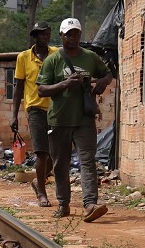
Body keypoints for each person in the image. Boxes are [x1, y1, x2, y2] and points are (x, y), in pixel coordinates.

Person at [37, 17, 113, 221]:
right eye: (69, 34)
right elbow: (41, 90)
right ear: (61, 36)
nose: (73, 37)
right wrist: (64, 84)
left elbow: (108, 74)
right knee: (61, 163)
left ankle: (90, 204)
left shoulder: (89, 57)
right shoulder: (52, 60)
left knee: (88, 161)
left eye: (76, 33)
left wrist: (103, 84)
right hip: (59, 120)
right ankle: (63, 204)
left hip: (84, 119)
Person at [11, 20, 57, 208]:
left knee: (56, 155)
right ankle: (42, 194)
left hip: (56, 109)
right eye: (41, 34)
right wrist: (14, 115)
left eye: (47, 34)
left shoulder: (56, 54)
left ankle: (38, 182)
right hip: (35, 109)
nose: (45, 37)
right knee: (42, 153)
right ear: (35, 37)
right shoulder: (23, 58)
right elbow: (18, 87)